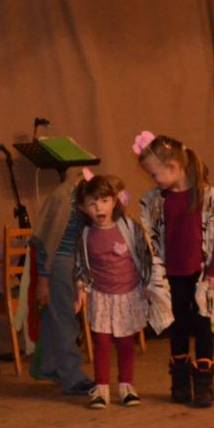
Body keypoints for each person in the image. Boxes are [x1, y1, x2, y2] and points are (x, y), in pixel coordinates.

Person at [134, 131, 214, 408]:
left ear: (174, 167)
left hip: (199, 274)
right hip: (170, 275)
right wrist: (151, 275)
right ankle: (180, 380)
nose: (154, 180)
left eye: (155, 174)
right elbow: (150, 238)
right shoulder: (157, 201)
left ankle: (204, 382)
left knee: (201, 324)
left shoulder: (205, 195)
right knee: (177, 325)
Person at [72, 174, 151, 409]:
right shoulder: (85, 234)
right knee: (102, 342)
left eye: (104, 201)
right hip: (101, 296)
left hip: (128, 294)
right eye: (92, 203)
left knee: (126, 342)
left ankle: (126, 386)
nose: (99, 208)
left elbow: (145, 256)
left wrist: (148, 285)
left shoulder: (129, 227)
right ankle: (102, 387)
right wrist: (81, 290)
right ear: (83, 208)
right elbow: (81, 264)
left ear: (114, 201)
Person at [28, 175, 97, 396]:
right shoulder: (65, 200)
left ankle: (47, 367)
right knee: (65, 319)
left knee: (54, 317)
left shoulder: (72, 195)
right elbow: (48, 242)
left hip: (67, 261)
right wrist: (43, 279)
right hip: (60, 263)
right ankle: (72, 377)